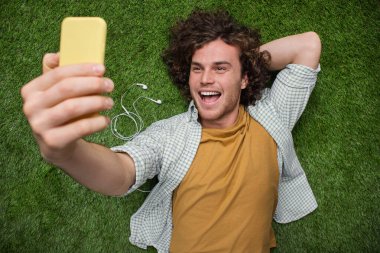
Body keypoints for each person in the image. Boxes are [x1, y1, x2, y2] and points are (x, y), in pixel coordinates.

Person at [21, 9, 321, 253]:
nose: (205, 78)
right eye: (197, 67)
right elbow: (122, 173)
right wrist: (67, 152)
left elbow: (307, 46)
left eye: (220, 67)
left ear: (244, 78)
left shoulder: (272, 115)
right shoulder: (169, 135)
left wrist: (242, 62)